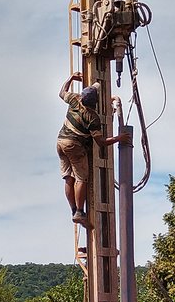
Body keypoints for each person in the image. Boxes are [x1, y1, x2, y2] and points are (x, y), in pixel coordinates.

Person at [56, 72, 131, 227]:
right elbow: (101, 142)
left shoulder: (74, 99)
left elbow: (62, 92)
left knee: (68, 177)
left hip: (60, 142)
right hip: (74, 145)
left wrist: (70, 78)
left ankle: (74, 211)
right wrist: (119, 138)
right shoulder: (92, 117)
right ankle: (79, 212)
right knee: (81, 178)